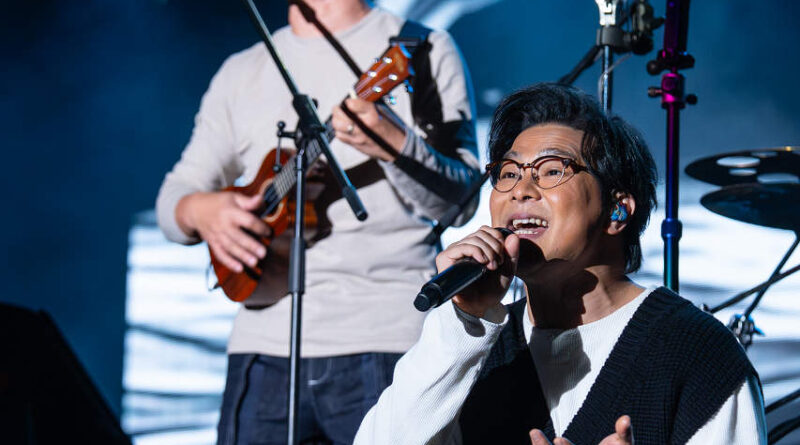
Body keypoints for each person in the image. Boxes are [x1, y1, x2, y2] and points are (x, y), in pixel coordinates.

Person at [354, 83, 767, 445]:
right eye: (508, 173)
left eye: (552, 170)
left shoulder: (696, 352)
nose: (520, 190)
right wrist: (463, 321)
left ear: (617, 211)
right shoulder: (471, 347)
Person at [155, 1, 480, 443]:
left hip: (387, 342)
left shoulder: (420, 47)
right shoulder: (242, 70)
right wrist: (202, 212)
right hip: (262, 346)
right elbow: (174, 200)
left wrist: (394, 143)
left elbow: (461, 203)